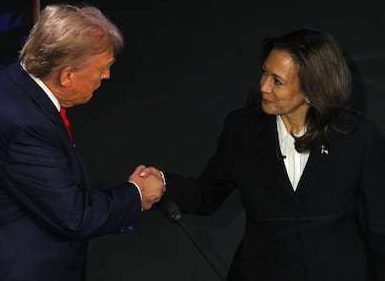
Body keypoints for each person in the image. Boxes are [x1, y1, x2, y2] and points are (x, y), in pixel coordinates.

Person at [159, 27, 385, 281]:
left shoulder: (357, 136)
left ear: (312, 90)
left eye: (277, 81)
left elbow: (379, 226)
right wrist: (161, 184)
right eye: (264, 73)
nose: (263, 86)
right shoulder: (242, 129)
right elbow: (205, 195)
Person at [0, 3, 166, 280]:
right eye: (102, 69)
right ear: (67, 75)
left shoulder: (12, 85)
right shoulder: (25, 124)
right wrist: (136, 193)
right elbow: (75, 216)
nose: (106, 76)